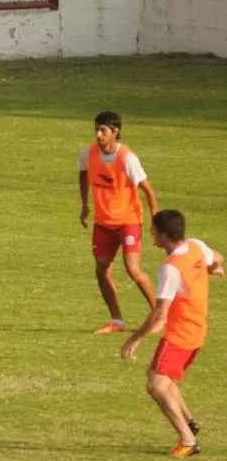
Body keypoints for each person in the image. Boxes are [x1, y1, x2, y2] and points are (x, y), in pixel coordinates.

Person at [120, 210, 223, 457]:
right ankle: (190, 423)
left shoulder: (170, 269)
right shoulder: (196, 246)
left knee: (156, 385)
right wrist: (213, 269)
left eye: (155, 230)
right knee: (163, 378)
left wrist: (135, 338)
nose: (151, 233)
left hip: (180, 334)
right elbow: (217, 258)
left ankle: (187, 440)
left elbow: (159, 315)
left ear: (166, 235)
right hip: (197, 330)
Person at [78, 111, 158, 334]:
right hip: (103, 222)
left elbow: (149, 191)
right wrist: (84, 204)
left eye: (103, 130)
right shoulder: (88, 154)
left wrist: (155, 221)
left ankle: (159, 314)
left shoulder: (127, 158)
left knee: (133, 269)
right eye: (96, 129)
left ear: (115, 131)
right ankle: (117, 321)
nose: (98, 134)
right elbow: (83, 174)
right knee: (102, 269)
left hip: (128, 220)